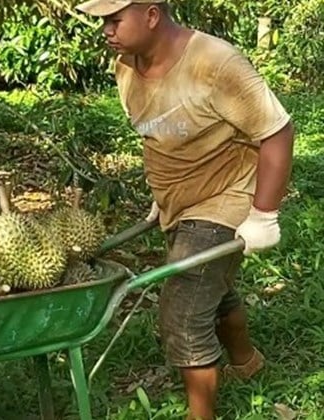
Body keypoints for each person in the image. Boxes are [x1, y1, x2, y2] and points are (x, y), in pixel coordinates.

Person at [74, 0, 295, 419]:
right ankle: (247, 363)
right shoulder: (125, 66)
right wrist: (164, 195)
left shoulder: (215, 64)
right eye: (103, 20)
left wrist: (264, 214)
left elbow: (278, 132)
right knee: (211, 287)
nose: (106, 29)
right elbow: (158, 134)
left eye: (115, 19)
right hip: (180, 203)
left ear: (152, 15)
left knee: (183, 314)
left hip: (224, 198)